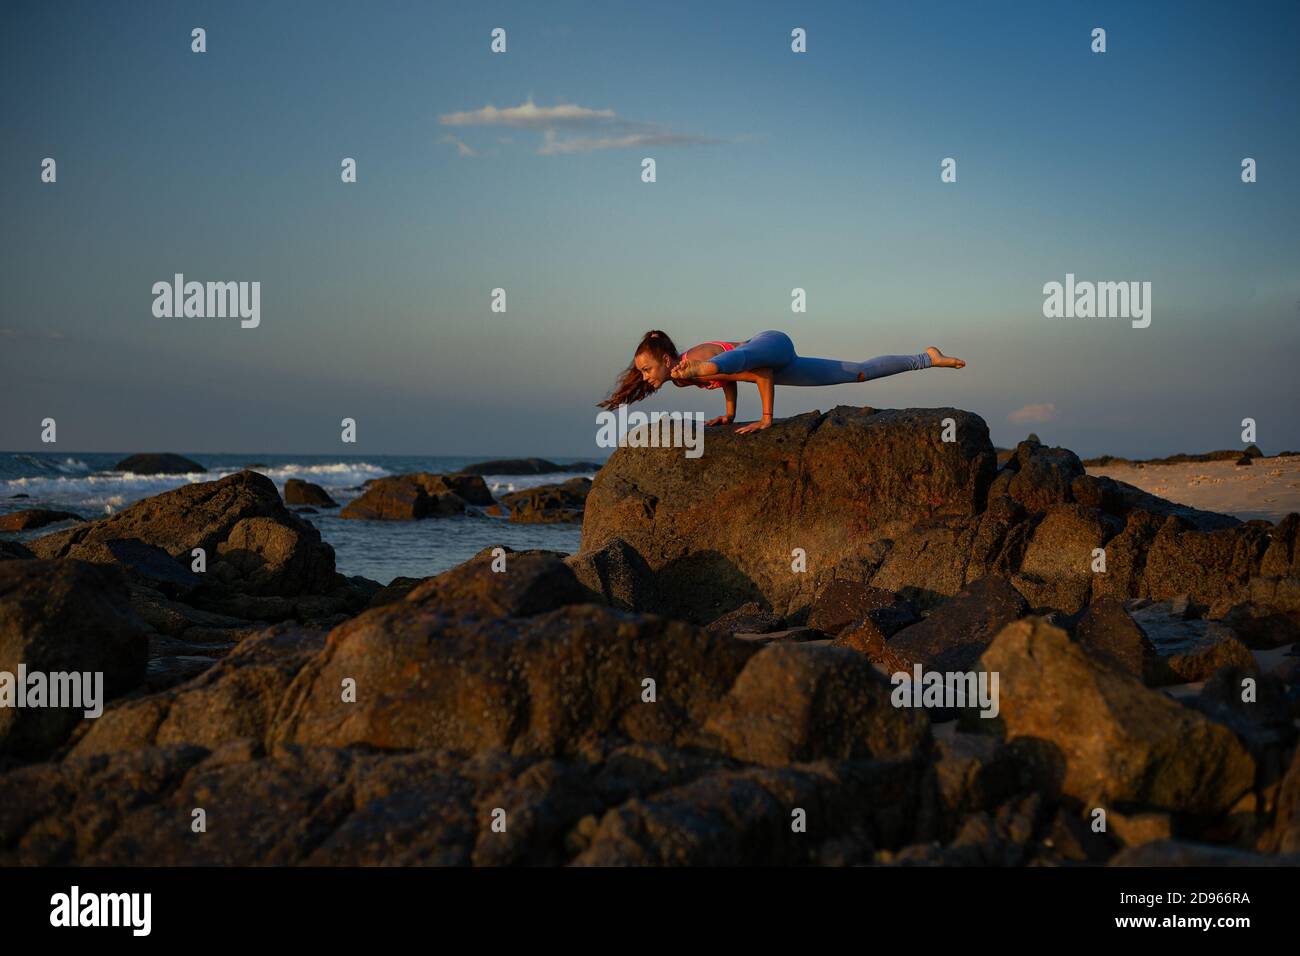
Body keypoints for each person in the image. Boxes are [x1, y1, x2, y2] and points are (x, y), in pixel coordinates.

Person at [598, 329, 966, 434]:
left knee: (727, 364)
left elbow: (757, 373)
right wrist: (729, 415)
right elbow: (730, 383)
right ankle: (926, 358)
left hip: (771, 344)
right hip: (784, 365)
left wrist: (766, 419)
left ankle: (708, 368)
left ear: (666, 360)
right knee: (858, 372)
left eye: (647, 370)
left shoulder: (691, 364)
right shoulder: (679, 379)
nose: (645, 378)